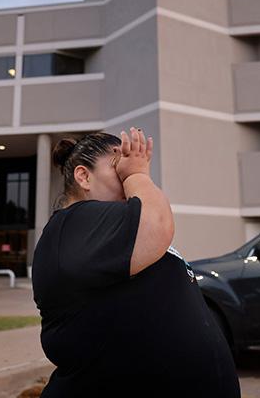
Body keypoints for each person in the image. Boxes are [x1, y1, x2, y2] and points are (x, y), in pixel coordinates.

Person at [32, 128, 240, 397]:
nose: (130, 173)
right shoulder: (72, 222)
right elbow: (158, 225)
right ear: (84, 176)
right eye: (120, 165)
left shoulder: (109, 228)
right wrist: (137, 174)